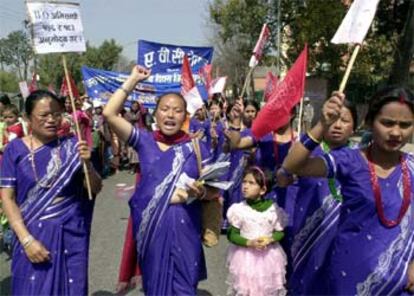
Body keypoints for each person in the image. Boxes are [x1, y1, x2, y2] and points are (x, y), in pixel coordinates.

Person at [278, 86, 414, 294]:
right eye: (387, 123)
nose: (396, 132)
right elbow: (294, 166)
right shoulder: (350, 160)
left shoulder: (412, 168)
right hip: (348, 277)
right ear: (369, 123)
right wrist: (321, 125)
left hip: (398, 282)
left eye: (405, 125)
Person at [103, 65, 218, 295]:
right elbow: (109, 114)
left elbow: (215, 191)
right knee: (155, 289)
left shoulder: (197, 148)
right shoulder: (144, 141)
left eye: (177, 110)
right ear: (155, 114)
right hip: (152, 234)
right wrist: (133, 79)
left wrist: (199, 193)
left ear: (185, 117)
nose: (170, 114)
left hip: (187, 232)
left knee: (185, 289)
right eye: (165, 109)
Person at [0, 90, 102, 295]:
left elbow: (94, 189)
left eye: (56, 114)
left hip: (70, 237)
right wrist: (27, 241)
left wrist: (88, 165)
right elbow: (7, 198)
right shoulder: (15, 150)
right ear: (28, 118)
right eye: (44, 115)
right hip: (31, 236)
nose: (51, 120)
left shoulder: (74, 146)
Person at [288, 100, 357, 294]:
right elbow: (286, 171)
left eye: (344, 120)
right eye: (333, 120)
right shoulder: (306, 154)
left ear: (354, 128)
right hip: (308, 237)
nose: (337, 125)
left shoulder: (361, 159)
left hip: (345, 240)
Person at [226, 166, 287, 296]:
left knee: (265, 289)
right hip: (246, 258)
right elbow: (232, 234)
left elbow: (280, 231)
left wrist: (271, 239)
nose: (245, 186)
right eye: (244, 182)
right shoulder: (238, 210)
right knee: (246, 289)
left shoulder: (273, 210)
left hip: (269, 258)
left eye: (251, 183)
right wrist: (249, 242)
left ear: (263, 189)